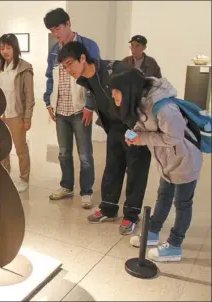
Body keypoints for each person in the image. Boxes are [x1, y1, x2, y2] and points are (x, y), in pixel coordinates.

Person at [57, 41, 152, 235]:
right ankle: (108, 208)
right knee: (113, 167)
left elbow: (143, 90)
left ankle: (131, 216)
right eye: (64, 66)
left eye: (69, 64)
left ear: (83, 58)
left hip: (136, 127)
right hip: (115, 127)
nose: (67, 70)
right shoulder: (87, 79)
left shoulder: (116, 70)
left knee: (136, 171)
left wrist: (142, 129)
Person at [109, 68, 203, 262]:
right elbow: (145, 125)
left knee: (182, 203)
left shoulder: (164, 108)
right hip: (166, 160)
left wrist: (142, 138)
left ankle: (175, 246)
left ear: (128, 90)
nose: (113, 96)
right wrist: (135, 132)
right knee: (163, 196)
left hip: (185, 160)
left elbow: (174, 137)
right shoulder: (141, 102)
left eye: (116, 91)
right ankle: (152, 232)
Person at [43, 8, 99, 207]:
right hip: (60, 110)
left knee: (85, 154)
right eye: (51, 30)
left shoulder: (88, 45)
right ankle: (66, 185)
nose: (55, 33)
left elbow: (95, 76)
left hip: (80, 108)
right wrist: (48, 102)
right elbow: (50, 78)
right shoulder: (54, 51)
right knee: (64, 152)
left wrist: (90, 106)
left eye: (57, 28)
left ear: (68, 24)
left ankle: (87, 190)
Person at [0, 33, 35, 193]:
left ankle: (24, 178)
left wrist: (27, 117)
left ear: (15, 48)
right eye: (2, 47)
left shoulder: (24, 68)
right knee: (3, 148)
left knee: (20, 148)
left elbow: (29, 95)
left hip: (17, 114)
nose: (5, 51)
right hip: (1, 114)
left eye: (8, 47)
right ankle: (5, 175)